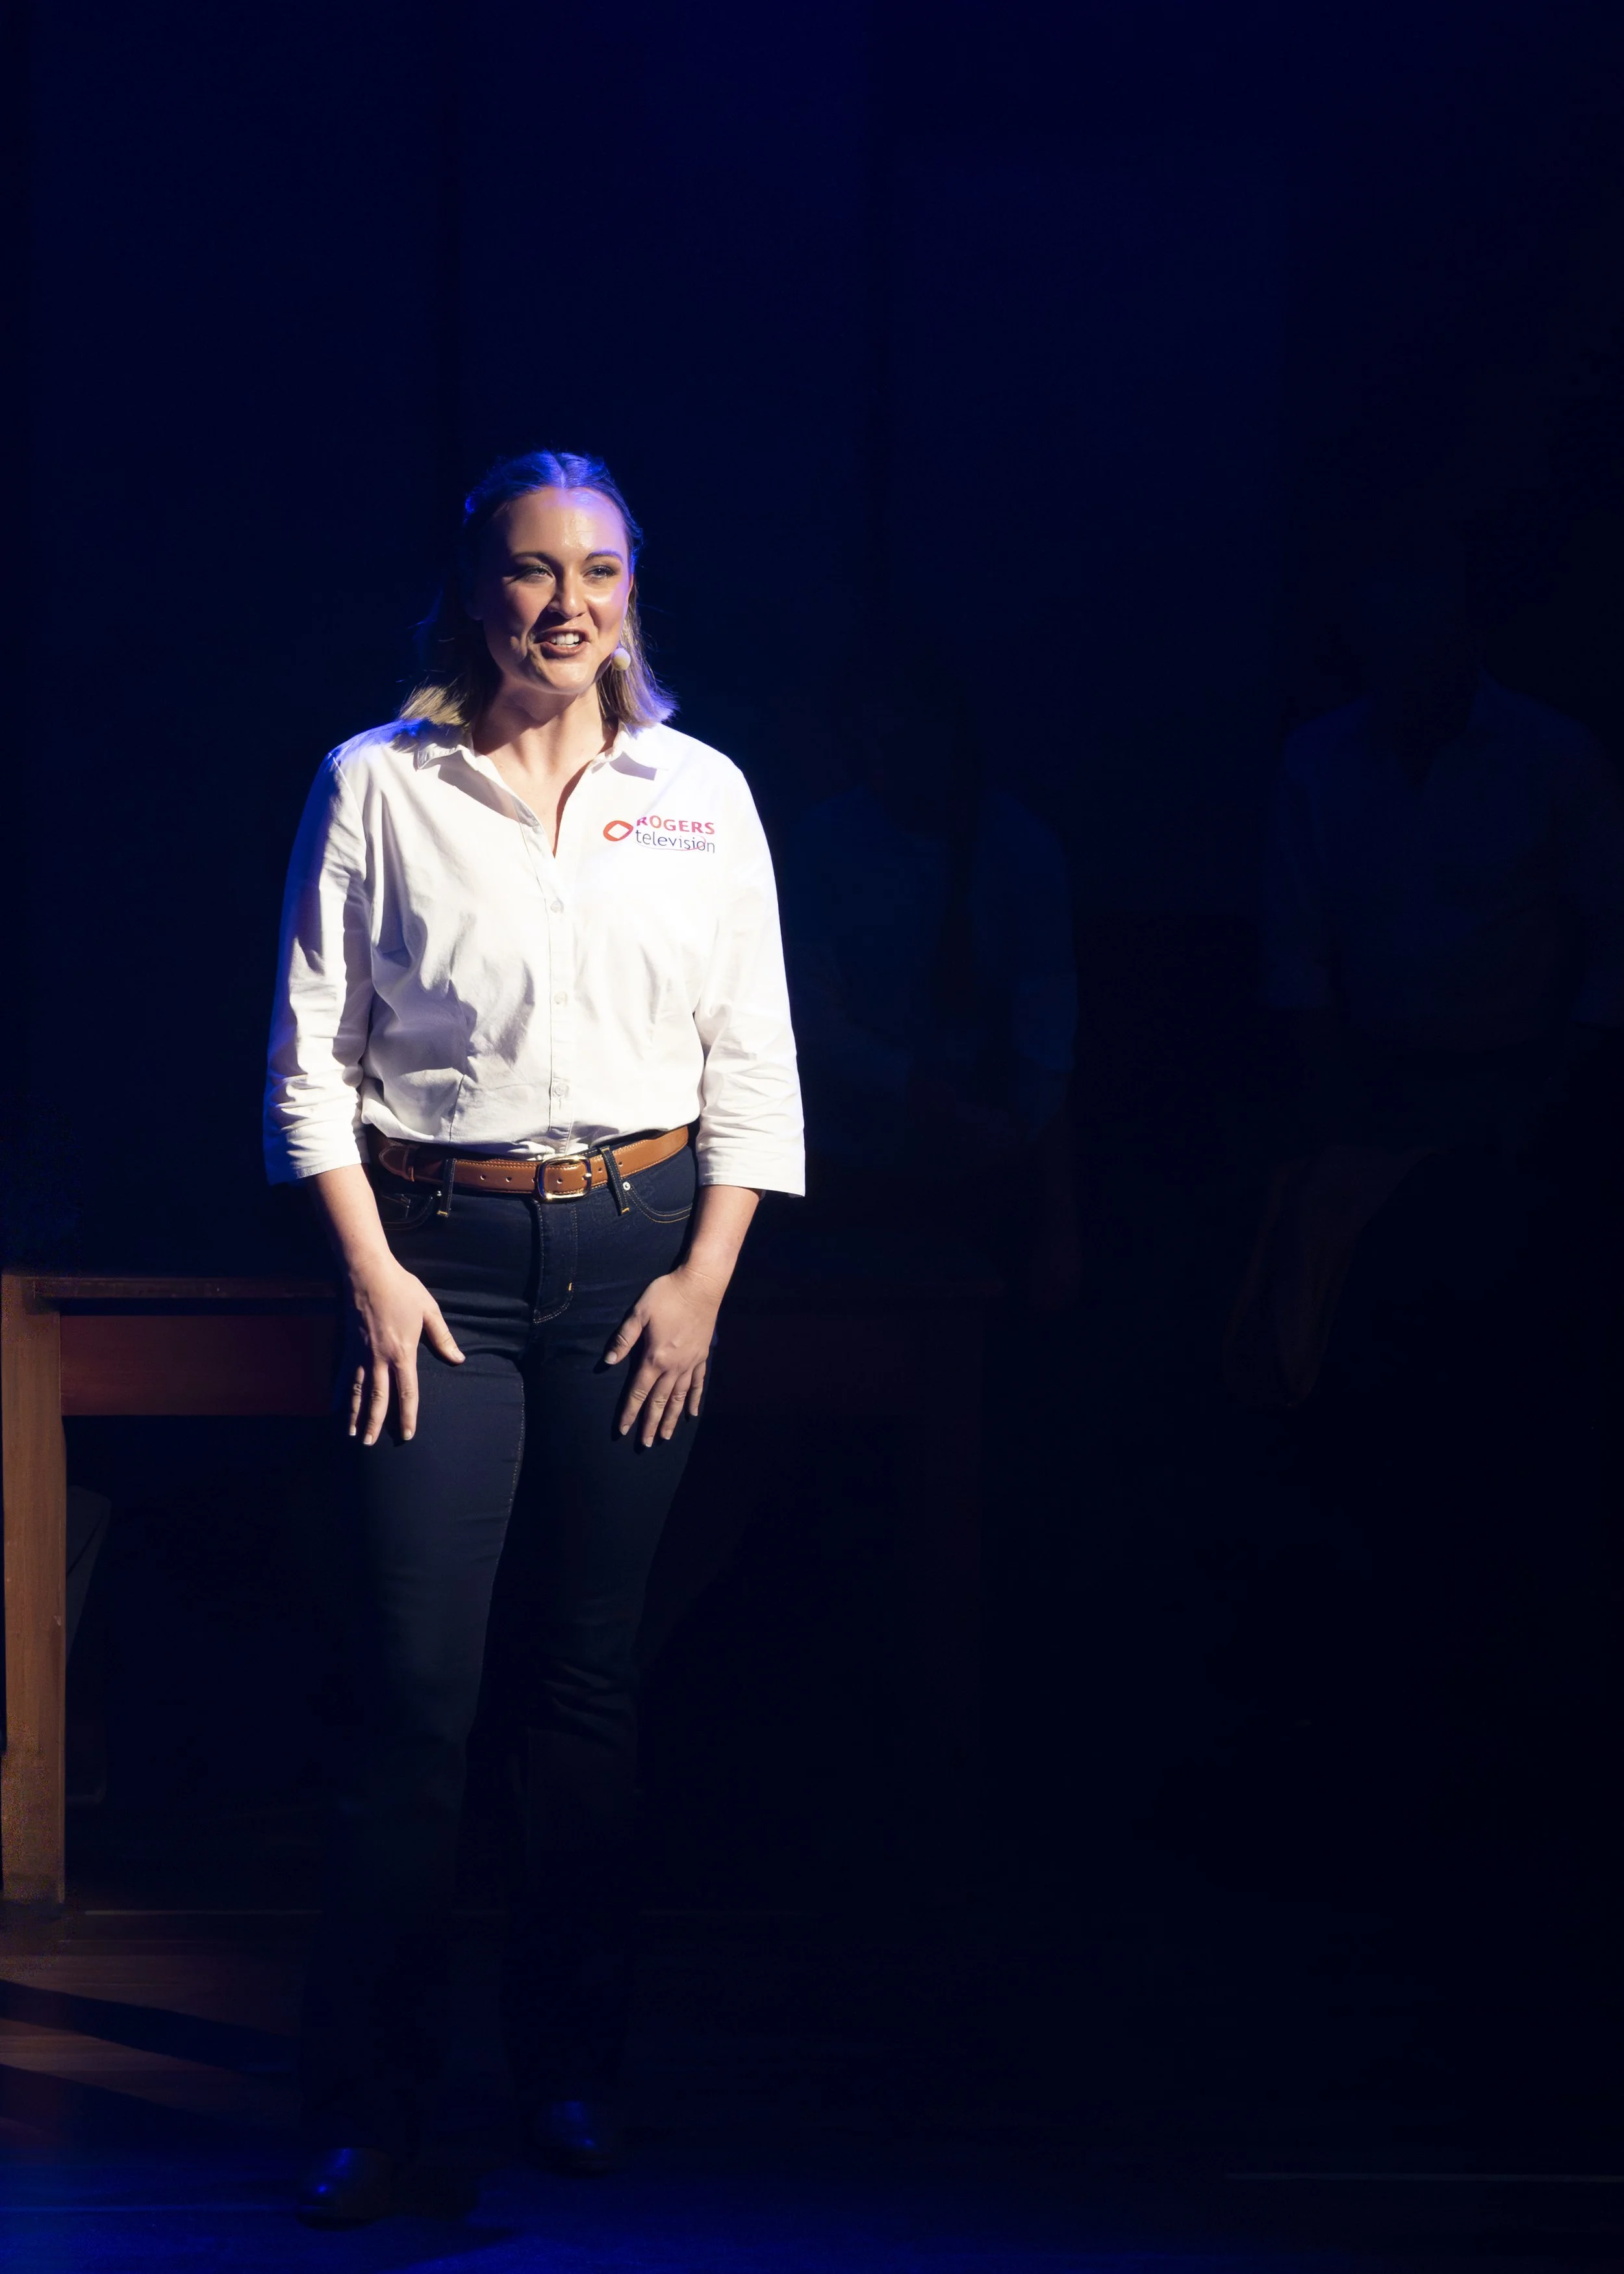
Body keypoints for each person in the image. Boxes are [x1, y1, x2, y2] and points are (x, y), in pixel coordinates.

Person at [264, 450, 803, 2224]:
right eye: (528, 570)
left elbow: (751, 1066)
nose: (564, 602)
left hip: (642, 1256)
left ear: (635, 592)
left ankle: (571, 2070)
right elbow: (310, 1065)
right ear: (472, 588)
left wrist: (703, 1283)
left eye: (600, 570)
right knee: (419, 1699)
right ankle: (373, 2099)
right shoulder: (377, 784)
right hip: (433, 1266)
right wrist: (368, 1269)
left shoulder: (700, 792)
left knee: (586, 1688)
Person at [782, 673, 1079, 1309]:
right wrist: (914, 1084)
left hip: (991, 1155)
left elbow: (1048, 1014)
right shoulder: (823, 843)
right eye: (886, 734)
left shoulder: (1017, 845)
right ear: (857, 740)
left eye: (923, 731)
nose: (906, 751)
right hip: (850, 1161)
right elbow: (810, 1016)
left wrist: (1018, 1125)